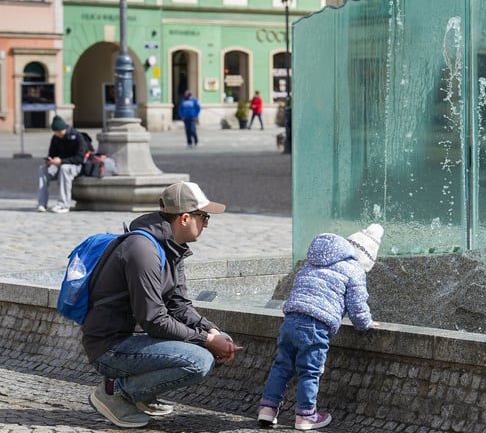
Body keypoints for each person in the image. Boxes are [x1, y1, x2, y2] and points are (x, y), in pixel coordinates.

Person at [83, 181, 243, 428]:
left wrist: (211, 331)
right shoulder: (142, 250)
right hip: (110, 347)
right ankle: (116, 392)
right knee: (199, 360)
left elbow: (179, 306)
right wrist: (205, 340)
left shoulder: (172, 248)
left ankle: (141, 394)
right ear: (185, 218)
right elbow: (154, 319)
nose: (207, 224)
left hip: (136, 340)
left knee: (221, 340)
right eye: (204, 217)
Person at [257, 224, 384, 430]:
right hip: (315, 326)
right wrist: (365, 324)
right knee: (309, 371)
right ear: (365, 258)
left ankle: (267, 410)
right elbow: (357, 304)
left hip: (290, 319)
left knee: (282, 366)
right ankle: (306, 416)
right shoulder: (354, 270)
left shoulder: (313, 262)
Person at [37, 115, 90, 213]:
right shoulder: (56, 138)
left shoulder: (78, 137)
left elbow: (80, 158)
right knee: (43, 169)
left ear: (64, 129)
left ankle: (64, 204)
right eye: (55, 132)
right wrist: (50, 160)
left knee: (64, 168)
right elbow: (52, 153)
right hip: (59, 165)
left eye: (59, 132)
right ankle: (42, 203)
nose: (57, 134)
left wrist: (62, 161)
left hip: (75, 166)